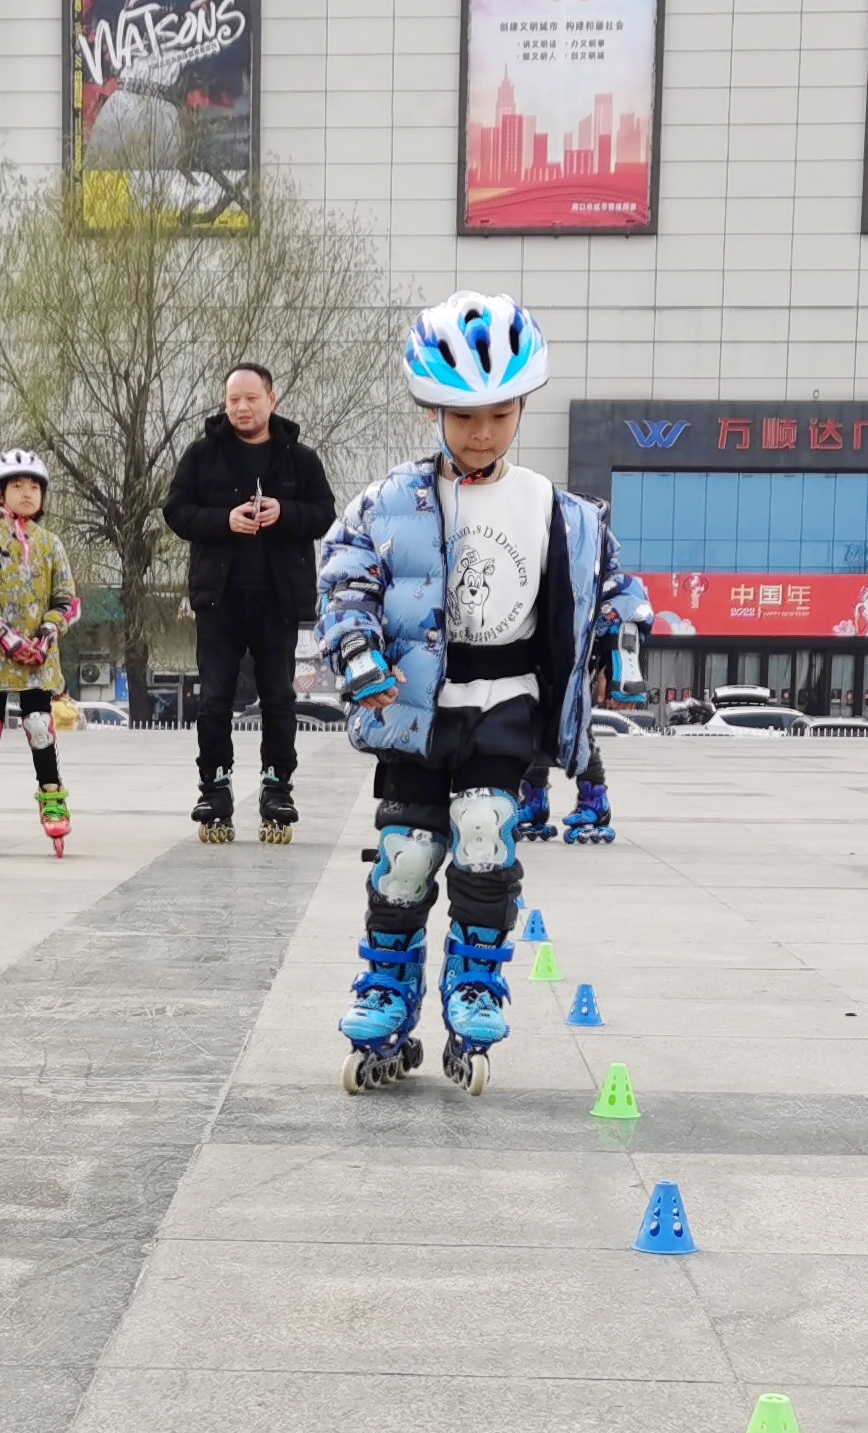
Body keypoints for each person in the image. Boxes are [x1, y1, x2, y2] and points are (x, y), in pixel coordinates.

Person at [317, 291, 643, 1096]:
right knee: (405, 853)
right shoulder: (387, 501)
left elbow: (607, 583)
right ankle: (386, 991)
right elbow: (344, 578)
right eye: (463, 415)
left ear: (522, 405)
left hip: (506, 696)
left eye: (498, 413)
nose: (481, 432)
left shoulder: (555, 508)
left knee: (485, 829)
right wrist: (356, 650)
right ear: (432, 409)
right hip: (415, 702)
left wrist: (619, 636)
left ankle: (474, 983)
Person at [164, 363, 338, 844]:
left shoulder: (299, 458)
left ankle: (277, 786)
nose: (241, 408)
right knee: (215, 697)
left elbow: (324, 513)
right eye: (233, 400)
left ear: (271, 401)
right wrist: (224, 520)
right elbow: (176, 511)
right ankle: (214, 787)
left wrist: (285, 512)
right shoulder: (202, 454)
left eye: (251, 399)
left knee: (279, 697)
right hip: (217, 600)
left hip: (277, 600)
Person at [0, 449, 82, 858]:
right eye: (17, 485)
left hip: (38, 657)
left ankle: (52, 798)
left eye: (34, 487)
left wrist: (46, 634)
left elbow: (66, 599)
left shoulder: (50, 543)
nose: (27, 493)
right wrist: (3, 634)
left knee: (40, 725)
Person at [515, 586, 650, 845]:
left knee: (577, 729)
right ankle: (534, 800)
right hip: (539, 645)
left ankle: (594, 801)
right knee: (535, 726)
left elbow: (627, 605)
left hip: (576, 654)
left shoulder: (599, 570)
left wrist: (614, 670)